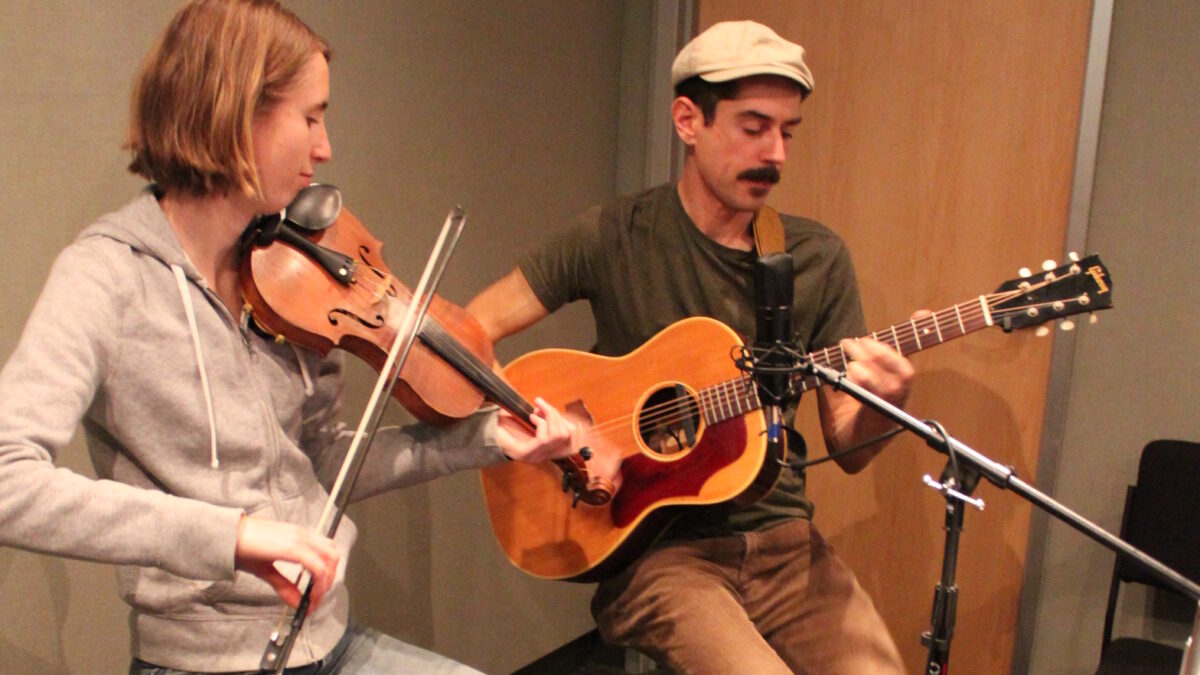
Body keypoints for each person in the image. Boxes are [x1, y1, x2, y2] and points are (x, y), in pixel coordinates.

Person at [0, 1, 579, 673]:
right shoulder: (105, 276)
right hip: (198, 663)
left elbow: (318, 465)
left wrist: (484, 438)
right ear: (233, 112)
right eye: (310, 117)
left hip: (331, 642)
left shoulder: (291, 276)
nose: (325, 146)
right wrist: (231, 536)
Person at [466, 20, 914, 674]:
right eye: (753, 126)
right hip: (659, 555)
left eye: (788, 131)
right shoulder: (611, 236)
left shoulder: (816, 260)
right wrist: (554, 437)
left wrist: (883, 402)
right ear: (687, 120)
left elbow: (847, 447)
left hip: (788, 550)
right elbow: (466, 331)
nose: (777, 154)